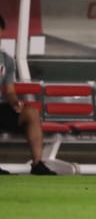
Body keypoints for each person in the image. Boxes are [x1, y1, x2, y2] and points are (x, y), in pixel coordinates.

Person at [0, 15, 56, 175]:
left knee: (31, 112)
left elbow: (10, 91)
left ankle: (37, 164)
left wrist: (15, 103)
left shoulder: (6, 60)